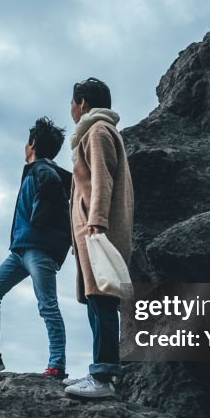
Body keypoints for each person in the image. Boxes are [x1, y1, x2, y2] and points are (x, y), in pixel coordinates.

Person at [0, 117, 72, 378]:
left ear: (32, 144)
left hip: (38, 250)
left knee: (47, 305)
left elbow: (55, 193)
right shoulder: (37, 172)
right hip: (20, 250)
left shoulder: (44, 171)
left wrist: (39, 218)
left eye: (27, 142)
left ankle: (57, 365)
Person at [63, 77, 134, 399]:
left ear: (83, 103)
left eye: (73, 103)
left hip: (97, 231)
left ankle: (103, 377)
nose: (71, 110)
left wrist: (97, 222)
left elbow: (103, 180)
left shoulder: (98, 131)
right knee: (97, 300)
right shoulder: (95, 132)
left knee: (102, 300)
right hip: (91, 230)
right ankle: (99, 370)